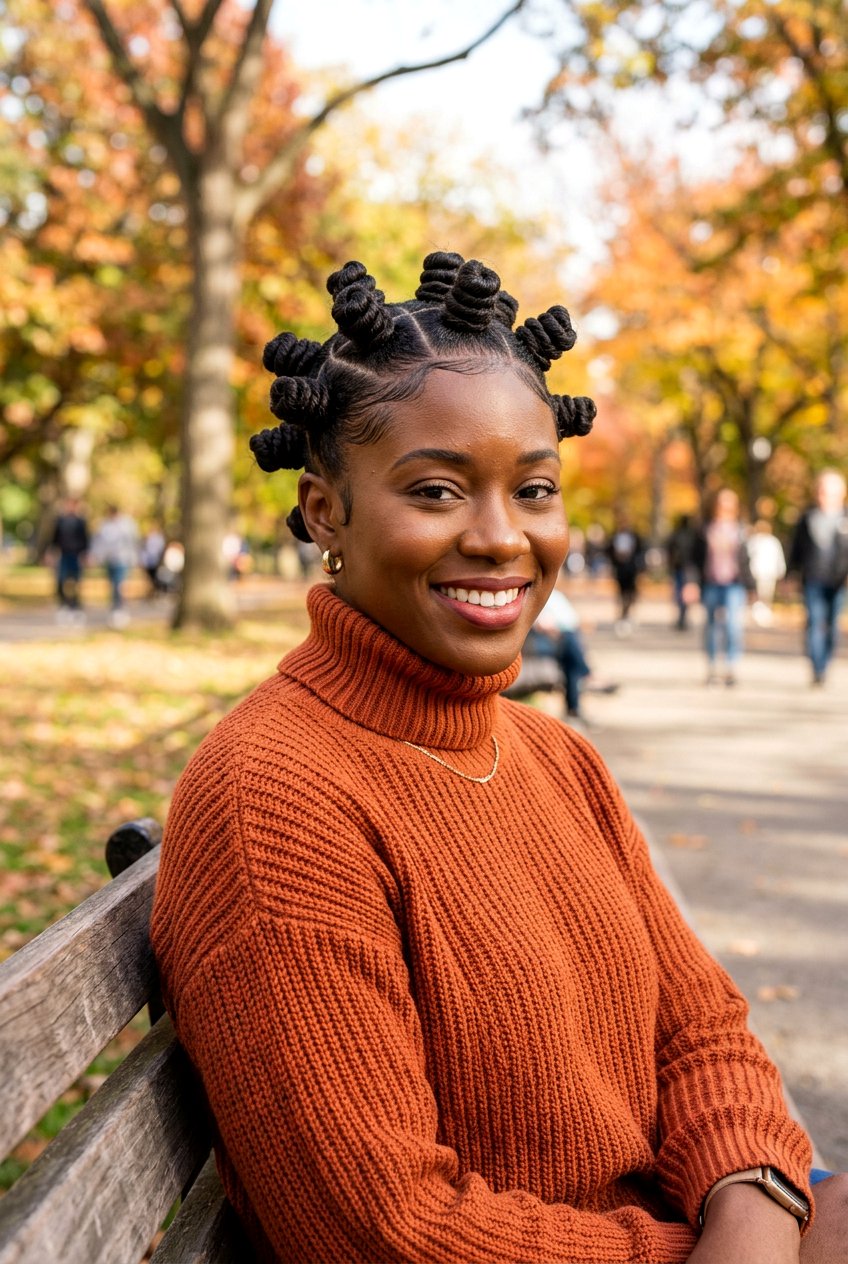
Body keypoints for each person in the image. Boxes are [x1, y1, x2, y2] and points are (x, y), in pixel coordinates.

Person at [151, 253, 843, 1263]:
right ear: (322, 511)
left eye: (532, 488)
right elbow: (385, 1232)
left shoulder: (553, 756)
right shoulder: (274, 798)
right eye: (435, 490)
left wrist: (752, 1192)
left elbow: (699, 1026)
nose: (499, 536)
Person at [788, 469, 848, 685]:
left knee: (832, 624)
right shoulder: (807, 517)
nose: (825, 496)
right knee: (814, 622)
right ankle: (817, 666)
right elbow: (796, 548)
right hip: (813, 578)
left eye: (830, 492)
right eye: (822, 491)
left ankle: (826, 659)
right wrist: (791, 574)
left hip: (839, 580)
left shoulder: (845, 518)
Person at [530, 584, 618, 721]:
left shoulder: (555, 595)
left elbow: (571, 620)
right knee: (570, 645)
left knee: (572, 666)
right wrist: (553, 631)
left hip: (565, 638)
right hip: (545, 641)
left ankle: (574, 710)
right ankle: (589, 675)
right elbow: (540, 624)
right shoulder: (535, 596)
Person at [693, 488, 753, 686]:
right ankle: (711, 666)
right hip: (711, 582)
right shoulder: (705, 529)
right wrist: (691, 582)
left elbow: (746, 560)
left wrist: (751, 586)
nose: (725, 506)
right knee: (711, 626)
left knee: (733, 626)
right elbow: (695, 559)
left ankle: (730, 666)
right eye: (722, 502)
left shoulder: (741, 529)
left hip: (734, 584)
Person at [91, 505, 139, 627]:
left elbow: (133, 542)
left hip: (122, 559)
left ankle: (120, 609)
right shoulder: (105, 525)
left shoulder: (127, 525)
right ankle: (114, 608)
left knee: (119, 584)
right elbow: (99, 542)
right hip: (109, 560)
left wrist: (134, 558)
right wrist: (97, 557)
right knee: (113, 585)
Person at [50, 497, 89, 622]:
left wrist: (85, 555)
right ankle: (63, 606)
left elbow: (85, 540)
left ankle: (76, 606)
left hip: (76, 555)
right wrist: (51, 552)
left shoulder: (80, 522)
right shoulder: (60, 521)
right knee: (61, 581)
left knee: (76, 582)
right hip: (64, 555)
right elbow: (54, 538)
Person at [606, 513, 644, 633]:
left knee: (631, 593)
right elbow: (609, 551)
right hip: (620, 568)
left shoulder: (635, 537)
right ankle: (622, 614)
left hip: (631, 568)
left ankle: (627, 613)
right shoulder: (615, 537)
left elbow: (640, 552)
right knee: (621, 593)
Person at [746, 519, 787, 627]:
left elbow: (778, 557)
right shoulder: (754, 541)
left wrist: (781, 570)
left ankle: (764, 613)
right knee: (757, 594)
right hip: (756, 572)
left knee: (766, 595)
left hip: (769, 572)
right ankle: (757, 613)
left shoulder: (773, 541)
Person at [666, 513, 700, 631]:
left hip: (681, 567)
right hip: (687, 567)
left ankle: (682, 616)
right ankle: (683, 616)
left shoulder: (677, 535)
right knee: (685, 593)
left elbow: (669, 550)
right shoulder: (692, 535)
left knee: (680, 592)